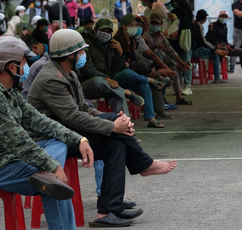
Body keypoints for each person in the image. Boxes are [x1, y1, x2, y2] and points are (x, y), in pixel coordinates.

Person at [27, 29, 177, 226]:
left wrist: (114, 125)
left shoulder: (67, 72)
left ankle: (107, 211)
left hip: (66, 131)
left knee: (116, 144)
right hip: (50, 139)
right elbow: (72, 116)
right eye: (80, 52)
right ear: (69, 54)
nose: (84, 56)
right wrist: (111, 125)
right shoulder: (52, 78)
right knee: (114, 129)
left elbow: (82, 108)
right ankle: (144, 164)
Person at [0, 37, 94, 230]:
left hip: (8, 158)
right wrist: (52, 165)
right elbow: (18, 142)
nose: (27, 65)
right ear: (12, 67)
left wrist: (78, 138)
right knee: (54, 188)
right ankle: (49, 178)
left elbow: (39, 120)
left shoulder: (7, 90)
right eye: (23, 61)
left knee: (57, 142)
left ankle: (47, 176)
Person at [113, 14, 173, 127]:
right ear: (124, 27)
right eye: (132, 25)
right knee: (127, 72)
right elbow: (117, 66)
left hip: (130, 75)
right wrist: (121, 54)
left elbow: (134, 61)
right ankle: (152, 80)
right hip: (116, 77)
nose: (135, 27)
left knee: (143, 84)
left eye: (136, 25)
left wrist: (128, 63)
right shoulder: (116, 42)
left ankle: (151, 118)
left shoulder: (132, 41)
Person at [79, 18, 145, 115]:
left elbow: (115, 70)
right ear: (95, 30)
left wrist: (120, 53)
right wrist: (106, 78)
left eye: (109, 31)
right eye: (103, 31)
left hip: (107, 85)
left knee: (117, 95)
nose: (106, 34)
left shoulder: (110, 45)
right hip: (87, 84)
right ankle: (126, 92)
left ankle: (126, 126)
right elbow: (87, 69)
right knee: (98, 80)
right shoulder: (86, 44)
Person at [144, 12, 192, 104]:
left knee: (174, 69)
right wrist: (154, 46)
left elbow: (170, 50)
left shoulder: (161, 36)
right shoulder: (145, 35)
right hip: (150, 62)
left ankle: (179, 96)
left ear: (161, 24)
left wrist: (180, 61)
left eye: (157, 23)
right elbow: (145, 53)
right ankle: (163, 97)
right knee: (160, 53)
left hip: (163, 62)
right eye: (153, 23)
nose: (155, 25)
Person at [206, 10, 242, 80]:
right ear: (219, 17)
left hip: (224, 47)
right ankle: (216, 72)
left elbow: (225, 41)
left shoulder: (225, 27)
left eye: (225, 17)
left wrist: (230, 45)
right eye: (222, 16)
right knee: (225, 49)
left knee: (241, 51)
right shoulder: (213, 25)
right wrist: (210, 30)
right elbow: (209, 40)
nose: (223, 18)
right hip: (216, 47)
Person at [192, 10, 228, 82]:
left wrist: (210, 30)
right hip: (196, 50)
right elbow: (203, 42)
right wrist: (214, 48)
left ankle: (217, 77)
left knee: (215, 52)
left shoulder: (196, 24)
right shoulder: (198, 26)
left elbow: (205, 40)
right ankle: (217, 78)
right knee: (215, 54)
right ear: (204, 18)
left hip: (196, 48)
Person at [170, 0, 194, 95]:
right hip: (174, 42)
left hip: (185, 41)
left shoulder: (187, 10)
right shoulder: (173, 11)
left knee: (186, 62)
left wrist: (178, 19)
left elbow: (189, 24)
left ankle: (187, 86)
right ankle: (178, 87)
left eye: (176, 0)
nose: (175, 3)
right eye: (173, 1)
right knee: (177, 65)